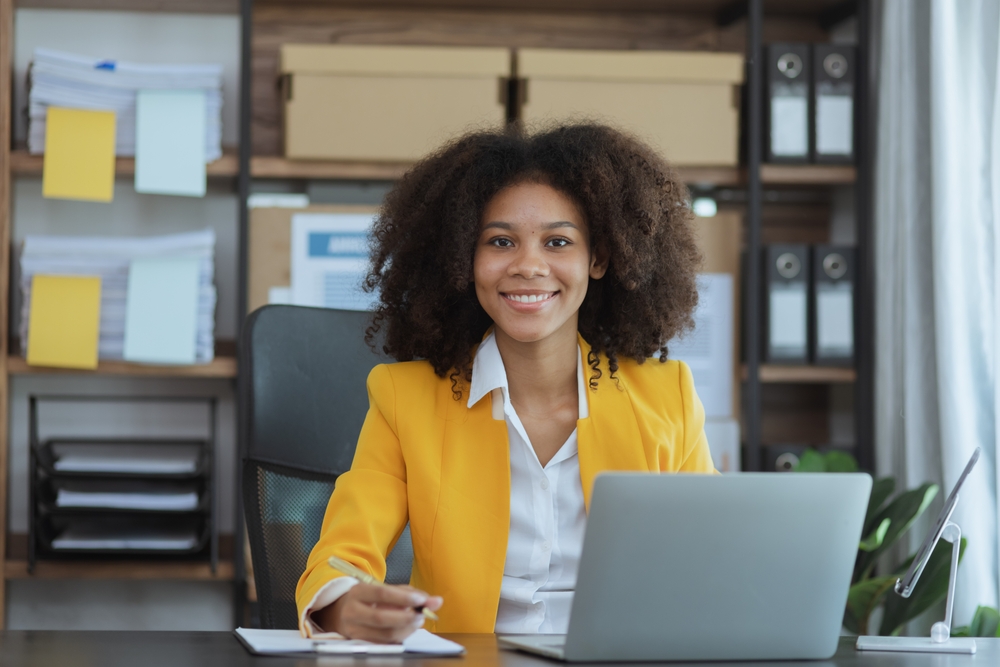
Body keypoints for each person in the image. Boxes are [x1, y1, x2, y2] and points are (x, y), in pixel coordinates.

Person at [296, 123, 717, 643]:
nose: (528, 266)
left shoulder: (666, 396)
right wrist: (343, 606)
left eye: (557, 241)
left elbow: (708, 567)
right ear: (463, 259)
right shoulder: (404, 399)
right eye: (500, 241)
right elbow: (342, 555)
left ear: (599, 259)